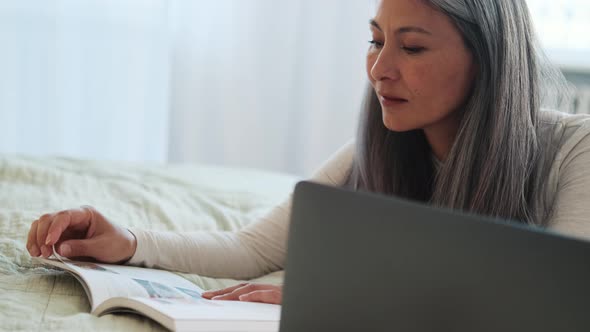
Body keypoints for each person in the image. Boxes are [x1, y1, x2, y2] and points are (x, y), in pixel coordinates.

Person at [26, 0, 590, 306]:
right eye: (375, 40)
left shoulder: (573, 150)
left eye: (411, 46)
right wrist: (127, 242)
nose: (379, 68)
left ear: (488, 58)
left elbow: (560, 303)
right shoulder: (377, 152)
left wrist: (339, 299)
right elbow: (250, 247)